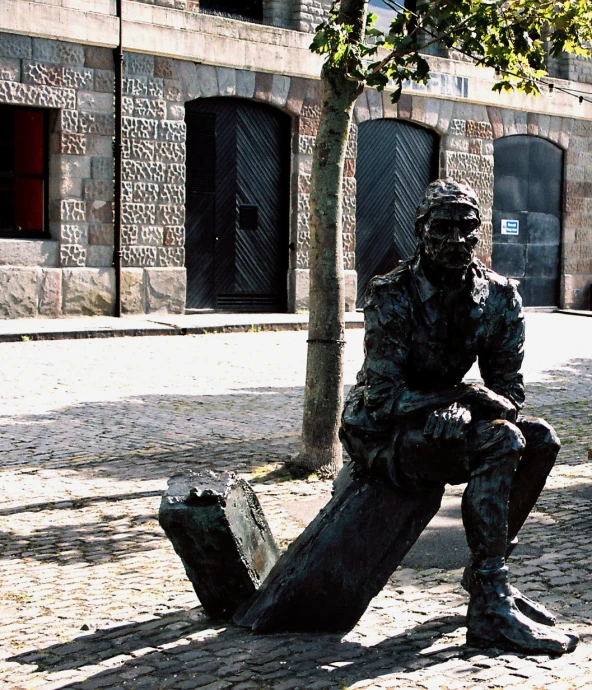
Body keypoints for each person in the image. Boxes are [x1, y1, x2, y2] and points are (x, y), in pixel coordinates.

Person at [340, 178, 578, 654]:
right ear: (420, 231)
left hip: (450, 421)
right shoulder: (392, 294)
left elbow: (509, 394)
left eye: (467, 229)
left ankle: (485, 577)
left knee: (541, 439)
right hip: (383, 433)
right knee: (502, 441)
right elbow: (384, 399)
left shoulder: (500, 297)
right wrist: (461, 397)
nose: (456, 240)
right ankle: (491, 606)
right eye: (443, 228)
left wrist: (464, 406)